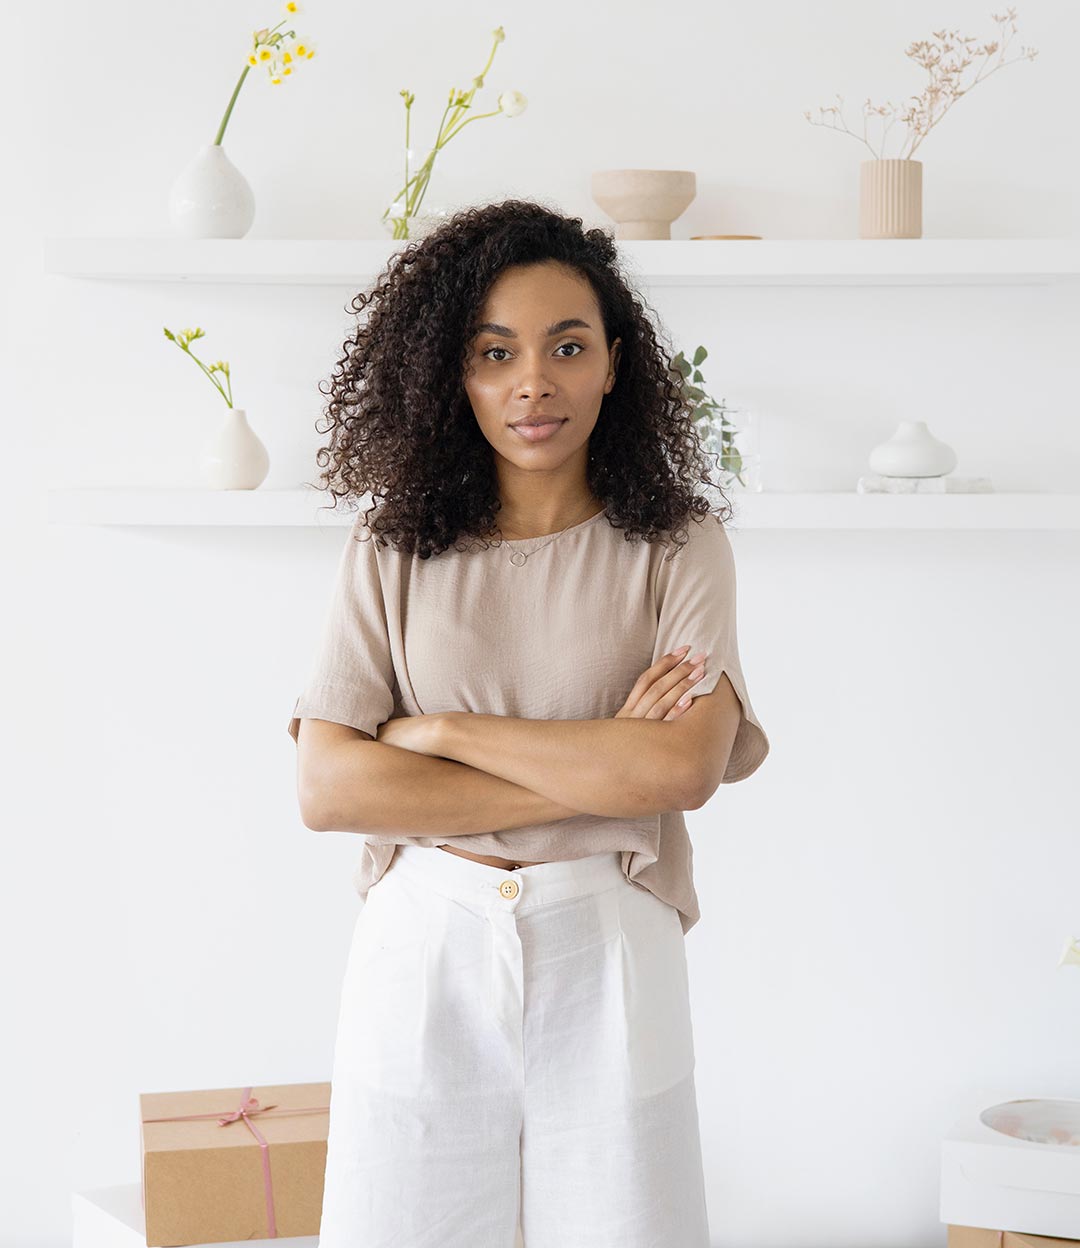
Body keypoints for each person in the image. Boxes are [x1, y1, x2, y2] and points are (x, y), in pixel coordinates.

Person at [287, 198, 770, 1248]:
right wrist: (608, 766)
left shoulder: (677, 544)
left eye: (566, 345)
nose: (532, 383)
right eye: (494, 352)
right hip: (424, 945)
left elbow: (682, 770)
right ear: (451, 373)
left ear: (614, 362)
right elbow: (330, 790)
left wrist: (438, 730)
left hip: (610, 939)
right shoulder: (394, 546)